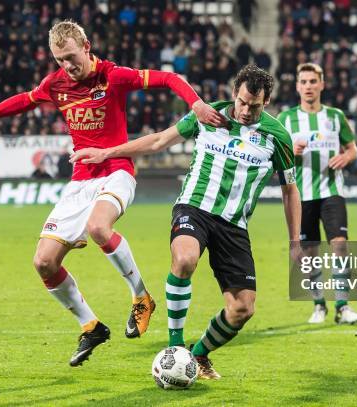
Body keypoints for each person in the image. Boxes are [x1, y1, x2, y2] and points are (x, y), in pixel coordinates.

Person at [0, 20, 227, 367]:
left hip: (117, 171)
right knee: (43, 262)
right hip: (80, 181)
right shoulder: (57, 84)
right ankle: (91, 325)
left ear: (86, 45)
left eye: (70, 57)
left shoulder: (113, 76)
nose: (67, 66)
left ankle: (141, 296)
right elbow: (24, 101)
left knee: (99, 227)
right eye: (59, 60)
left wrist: (197, 104)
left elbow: (170, 78)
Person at [70, 64, 302, 379]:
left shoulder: (277, 136)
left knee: (242, 309)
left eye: (255, 105)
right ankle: (175, 349)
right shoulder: (208, 116)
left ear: (268, 101)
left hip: (234, 226)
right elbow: (157, 142)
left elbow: (290, 190)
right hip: (193, 208)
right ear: (234, 93)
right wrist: (107, 153)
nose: (246, 110)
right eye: (243, 102)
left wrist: (295, 242)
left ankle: (198, 355)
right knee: (184, 258)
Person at [278, 63, 357, 325]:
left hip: (331, 191)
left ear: (322, 84)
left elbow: (353, 149)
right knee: (310, 253)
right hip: (300, 196)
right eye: (303, 82)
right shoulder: (285, 119)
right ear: (297, 87)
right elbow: (273, 155)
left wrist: (345, 157)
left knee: (339, 244)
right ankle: (318, 304)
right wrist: (289, 152)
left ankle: (343, 306)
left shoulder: (335, 116)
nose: (308, 86)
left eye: (313, 81)